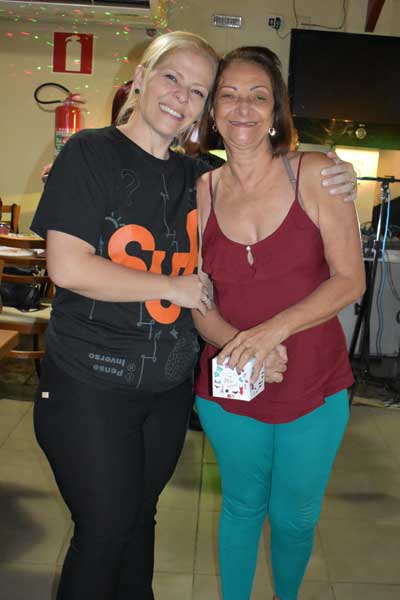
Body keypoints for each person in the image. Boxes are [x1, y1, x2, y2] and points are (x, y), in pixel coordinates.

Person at [31, 30, 358, 599]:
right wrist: (191, 303)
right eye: (173, 78)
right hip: (91, 382)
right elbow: (69, 267)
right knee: (107, 530)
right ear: (141, 79)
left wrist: (340, 172)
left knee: (142, 520)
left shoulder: (195, 175)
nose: (184, 97)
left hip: (169, 389)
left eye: (199, 90)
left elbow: (276, 194)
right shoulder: (101, 155)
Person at [193, 46, 366, 600]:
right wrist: (245, 348)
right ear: (213, 111)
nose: (242, 108)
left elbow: (350, 280)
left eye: (258, 96)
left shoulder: (314, 175)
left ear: (276, 110)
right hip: (230, 384)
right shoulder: (203, 188)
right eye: (229, 95)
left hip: (312, 384)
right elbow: (198, 300)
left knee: (294, 517)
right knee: (242, 506)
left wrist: (272, 333)